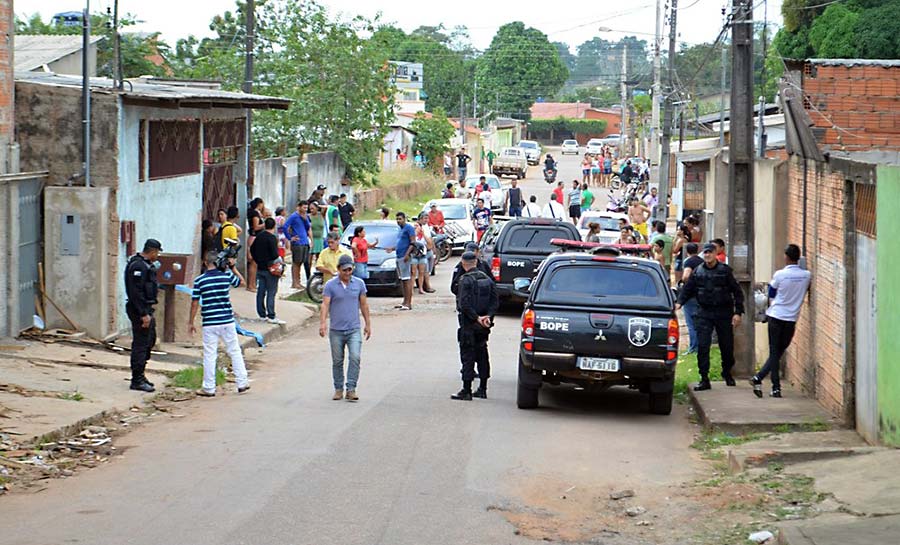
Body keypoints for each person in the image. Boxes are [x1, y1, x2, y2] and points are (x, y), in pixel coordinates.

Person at [676, 243, 745, 391]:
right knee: (703, 346)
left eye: (709, 252)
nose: (707, 255)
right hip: (705, 313)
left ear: (715, 254)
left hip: (723, 313)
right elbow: (688, 290)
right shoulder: (697, 271)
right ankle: (704, 378)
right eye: (705, 253)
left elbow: (737, 292)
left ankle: (727, 372)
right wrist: (679, 303)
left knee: (726, 346)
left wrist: (738, 312)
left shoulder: (725, 271)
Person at [750, 244, 811, 399]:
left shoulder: (779, 275)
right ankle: (767, 382)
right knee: (779, 351)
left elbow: (771, 293)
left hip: (776, 316)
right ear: (798, 258)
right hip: (791, 319)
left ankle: (769, 384)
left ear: (786, 256)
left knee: (774, 352)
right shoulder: (806, 275)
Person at [188, 251, 250, 397]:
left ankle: (209, 388)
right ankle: (242, 382)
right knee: (234, 351)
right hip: (227, 321)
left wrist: (190, 322)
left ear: (205, 263)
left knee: (210, 354)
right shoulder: (226, 276)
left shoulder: (199, 281)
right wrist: (233, 268)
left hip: (209, 322)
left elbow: (194, 303)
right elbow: (242, 283)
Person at [320, 254, 372, 402]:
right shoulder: (330, 285)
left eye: (350, 270)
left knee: (355, 357)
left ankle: (351, 388)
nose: (347, 273)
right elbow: (325, 304)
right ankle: (338, 388)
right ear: (338, 270)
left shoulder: (359, 284)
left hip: (354, 328)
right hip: (336, 330)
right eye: (344, 270)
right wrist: (323, 323)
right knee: (337, 361)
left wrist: (368, 324)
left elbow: (364, 305)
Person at [451, 251, 499, 401]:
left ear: (464, 264)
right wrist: (488, 317)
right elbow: (495, 302)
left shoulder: (465, 280)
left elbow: (463, 304)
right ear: (476, 263)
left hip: (469, 324)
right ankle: (483, 388)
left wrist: (476, 318)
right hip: (483, 325)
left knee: (467, 355)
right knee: (482, 353)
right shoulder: (487, 279)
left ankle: (466, 389)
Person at [124, 239, 162, 392]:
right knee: (140, 344)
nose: (157, 256)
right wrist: (143, 314)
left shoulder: (144, 265)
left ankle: (141, 373)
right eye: (157, 252)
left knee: (149, 340)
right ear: (152, 251)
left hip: (146, 309)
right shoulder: (138, 266)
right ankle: (137, 379)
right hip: (139, 310)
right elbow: (135, 292)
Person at [251, 217, 284, 325]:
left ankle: (261, 313)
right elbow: (274, 255)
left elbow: (252, 249)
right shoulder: (272, 238)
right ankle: (271, 315)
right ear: (274, 226)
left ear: (265, 225)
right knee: (271, 292)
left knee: (261, 291)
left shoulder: (259, 236)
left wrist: (257, 260)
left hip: (260, 268)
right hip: (271, 269)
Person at [386, 212, 417, 311]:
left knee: (406, 279)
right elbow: (401, 243)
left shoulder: (409, 228)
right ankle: (404, 301)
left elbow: (412, 242)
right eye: (397, 219)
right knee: (402, 280)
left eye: (400, 219)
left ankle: (408, 303)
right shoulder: (400, 229)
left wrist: (407, 254)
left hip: (405, 257)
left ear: (404, 219)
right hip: (399, 256)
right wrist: (393, 248)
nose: (398, 221)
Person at [680, 243, 703, 354]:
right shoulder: (701, 261)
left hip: (690, 295)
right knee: (699, 322)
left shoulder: (688, 261)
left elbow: (685, 276)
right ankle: (699, 346)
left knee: (691, 323)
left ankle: (693, 347)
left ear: (687, 251)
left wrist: (685, 283)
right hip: (701, 294)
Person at [285, 200, 312, 289]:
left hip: (305, 241)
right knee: (296, 262)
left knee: (301, 262)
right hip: (297, 242)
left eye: (306, 208)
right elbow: (285, 226)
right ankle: (295, 282)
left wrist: (305, 219)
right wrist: (290, 238)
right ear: (299, 207)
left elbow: (308, 227)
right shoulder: (294, 216)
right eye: (304, 207)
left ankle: (298, 281)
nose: (305, 209)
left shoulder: (306, 216)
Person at [246, 198, 265, 293]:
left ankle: (252, 284)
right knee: (254, 263)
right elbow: (256, 226)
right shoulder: (255, 214)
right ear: (259, 204)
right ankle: (251, 284)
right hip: (255, 238)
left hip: (254, 237)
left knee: (254, 263)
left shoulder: (255, 213)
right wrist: (265, 224)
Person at [413, 215, 435, 294]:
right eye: (424, 219)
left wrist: (423, 233)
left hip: (423, 253)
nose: (426, 220)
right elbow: (412, 239)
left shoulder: (425, 228)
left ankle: (421, 288)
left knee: (422, 272)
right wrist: (416, 231)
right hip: (415, 253)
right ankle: (412, 288)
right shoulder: (414, 228)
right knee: (413, 272)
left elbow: (429, 242)